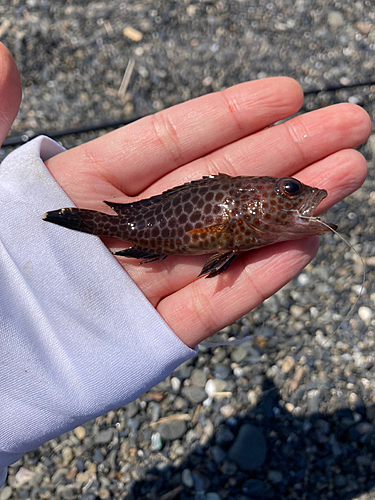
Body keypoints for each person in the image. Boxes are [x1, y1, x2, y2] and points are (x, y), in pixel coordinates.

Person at [0, 41, 371, 486]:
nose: (304, 199)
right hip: (151, 225)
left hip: (155, 228)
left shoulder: (255, 223)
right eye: (290, 191)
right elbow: (203, 229)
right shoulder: (242, 217)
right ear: (255, 203)